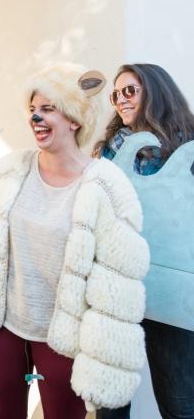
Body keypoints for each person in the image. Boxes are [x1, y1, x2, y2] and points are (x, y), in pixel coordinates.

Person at [0, 63, 149, 418]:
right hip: (0, 326)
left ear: (74, 118)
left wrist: (105, 359)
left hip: (63, 337)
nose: (36, 117)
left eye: (48, 109)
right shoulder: (12, 170)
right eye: (33, 109)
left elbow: (117, 282)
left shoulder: (104, 185)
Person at [94, 63, 194, 419]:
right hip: (118, 286)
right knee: (110, 401)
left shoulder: (188, 151)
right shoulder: (108, 151)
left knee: (180, 401)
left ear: (156, 92)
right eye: (116, 94)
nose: (121, 100)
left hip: (171, 288)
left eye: (130, 91)